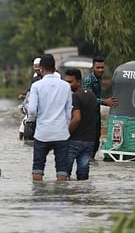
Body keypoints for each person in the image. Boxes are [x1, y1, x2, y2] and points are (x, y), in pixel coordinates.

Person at [26, 53, 71, 181]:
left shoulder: (36, 86)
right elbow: (68, 113)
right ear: (54, 66)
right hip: (61, 133)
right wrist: (64, 127)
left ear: (41, 68)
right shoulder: (65, 86)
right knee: (62, 171)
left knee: (37, 169)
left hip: (42, 133)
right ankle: (61, 197)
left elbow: (32, 111)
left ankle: (39, 197)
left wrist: (32, 122)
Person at [63, 68, 99, 180]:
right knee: (83, 175)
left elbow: (77, 118)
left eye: (70, 82)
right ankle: (82, 196)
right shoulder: (92, 95)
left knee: (64, 174)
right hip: (89, 141)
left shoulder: (75, 96)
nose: (67, 85)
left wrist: (66, 133)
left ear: (79, 81)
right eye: (66, 82)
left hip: (75, 140)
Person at [83, 57, 118, 153]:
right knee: (90, 141)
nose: (100, 70)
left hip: (96, 113)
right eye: (98, 67)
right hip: (89, 115)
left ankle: (91, 161)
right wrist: (105, 102)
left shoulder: (99, 79)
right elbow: (89, 99)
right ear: (92, 68)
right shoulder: (88, 80)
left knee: (96, 140)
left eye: (102, 68)